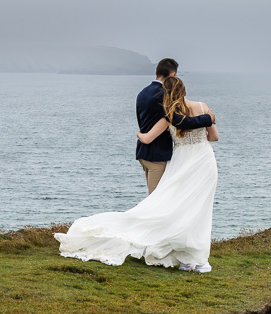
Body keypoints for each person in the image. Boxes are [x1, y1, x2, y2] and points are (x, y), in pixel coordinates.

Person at [55, 69, 220, 272]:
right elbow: (214, 137)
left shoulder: (169, 115)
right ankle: (197, 258)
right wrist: (208, 120)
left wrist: (139, 135)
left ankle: (186, 258)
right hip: (204, 161)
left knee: (177, 207)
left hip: (181, 163)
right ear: (184, 89)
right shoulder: (203, 107)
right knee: (200, 208)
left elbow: (148, 138)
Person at [134, 57, 212, 194]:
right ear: (173, 75)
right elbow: (178, 121)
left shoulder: (142, 93)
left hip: (143, 153)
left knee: (156, 198)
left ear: (156, 72)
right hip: (157, 156)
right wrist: (207, 118)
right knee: (156, 200)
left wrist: (142, 135)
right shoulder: (163, 95)